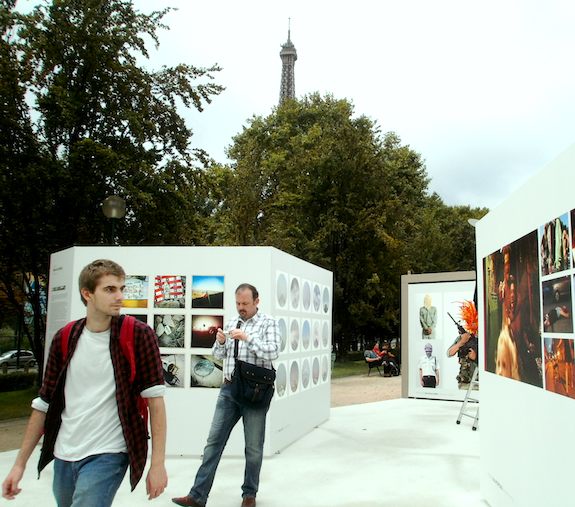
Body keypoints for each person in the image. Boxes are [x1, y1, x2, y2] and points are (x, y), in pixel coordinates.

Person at [1, 259, 167, 506]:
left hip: (109, 452)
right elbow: (43, 404)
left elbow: (156, 403)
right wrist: (19, 465)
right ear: (87, 293)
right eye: (110, 289)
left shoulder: (139, 335)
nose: (119, 296)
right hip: (64, 453)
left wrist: (157, 464)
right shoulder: (65, 338)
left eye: (121, 288)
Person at [172, 283, 280, 507]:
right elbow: (219, 354)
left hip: (255, 391)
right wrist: (220, 342)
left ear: (256, 302)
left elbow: (274, 351)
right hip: (229, 389)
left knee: (253, 447)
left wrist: (248, 338)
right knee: (213, 443)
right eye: (238, 303)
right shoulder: (232, 321)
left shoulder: (268, 322)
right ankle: (197, 496)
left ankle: (249, 495)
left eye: (245, 304)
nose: (241, 308)